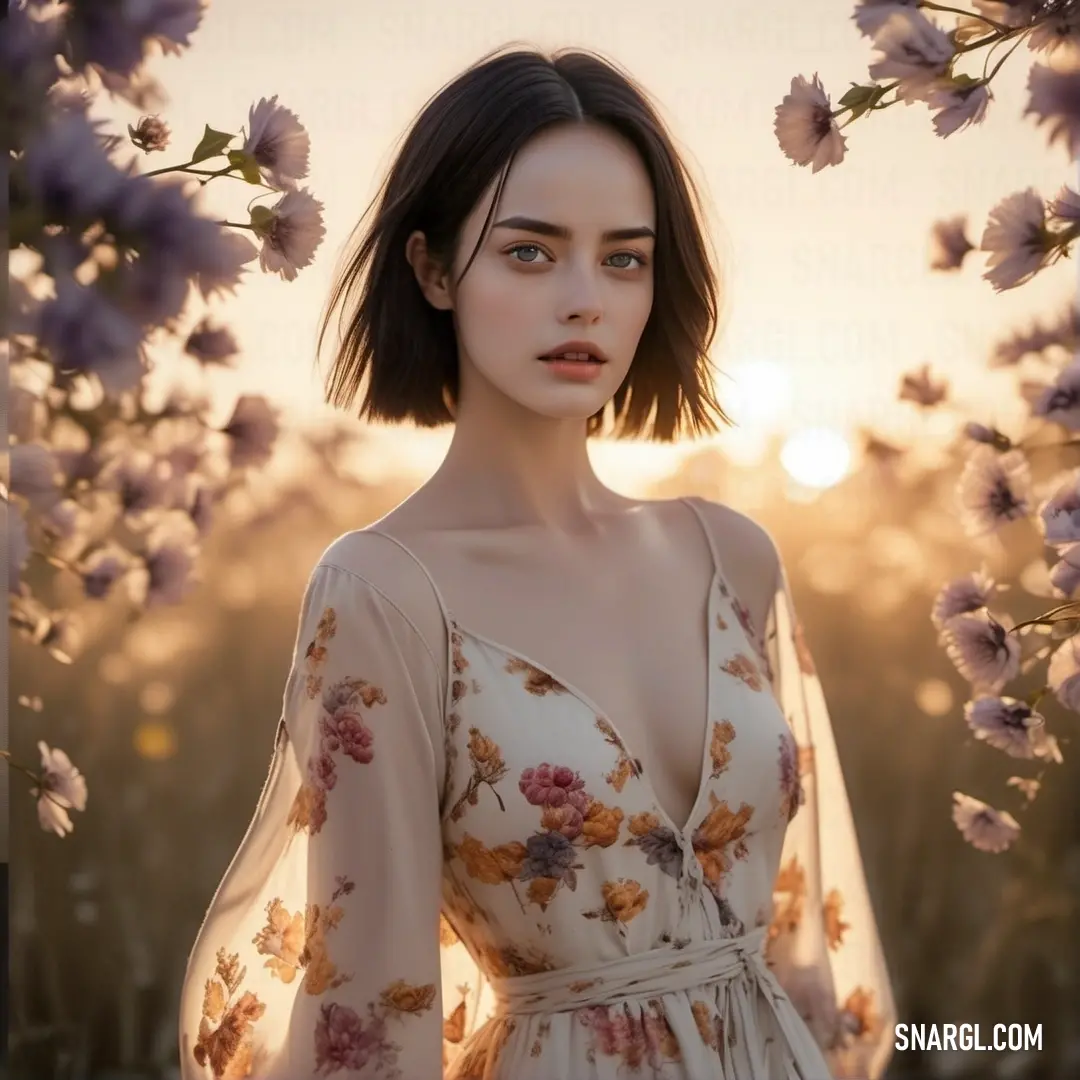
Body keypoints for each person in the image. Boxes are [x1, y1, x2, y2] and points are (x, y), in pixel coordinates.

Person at [178, 44, 896, 1080]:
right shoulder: (383, 592)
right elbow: (371, 1018)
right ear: (431, 269)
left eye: (624, 257)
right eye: (529, 251)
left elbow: (804, 954)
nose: (584, 300)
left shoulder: (731, 557)